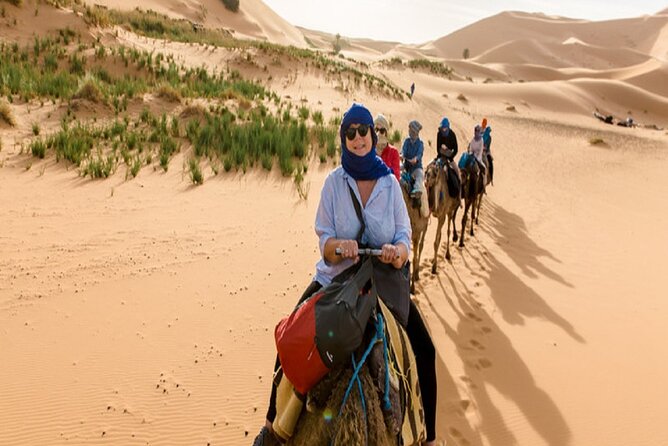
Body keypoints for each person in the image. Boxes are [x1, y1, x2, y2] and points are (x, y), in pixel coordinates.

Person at [254, 103, 439, 446]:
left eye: (363, 131)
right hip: (336, 280)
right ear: (344, 138)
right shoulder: (333, 184)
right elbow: (323, 241)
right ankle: (270, 428)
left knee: (425, 351)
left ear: (373, 134)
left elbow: (404, 237)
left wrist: (397, 253)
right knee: (288, 339)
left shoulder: (389, 184)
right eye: (350, 133)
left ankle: (428, 439)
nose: (357, 138)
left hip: (381, 283)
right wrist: (339, 246)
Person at [436, 117, 461, 198]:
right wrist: (442, 151)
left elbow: (456, 149)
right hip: (440, 157)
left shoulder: (452, 135)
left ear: (448, 127)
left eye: (445, 127)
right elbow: (437, 147)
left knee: (458, 173)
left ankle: (459, 197)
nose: (443, 129)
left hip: (450, 159)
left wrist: (450, 155)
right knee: (429, 169)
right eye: (442, 127)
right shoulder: (439, 134)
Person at [374, 114, 401, 181]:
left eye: (382, 131)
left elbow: (396, 176)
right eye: (376, 130)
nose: (378, 133)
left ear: (386, 132)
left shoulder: (393, 152)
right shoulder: (369, 151)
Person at [402, 120, 425, 197]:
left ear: (415, 132)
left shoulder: (420, 144)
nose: (410, 132)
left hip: (416, 168)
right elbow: (403, 151)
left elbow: (419, 154)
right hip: (406, 167)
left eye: (411, 130)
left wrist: (415, 159)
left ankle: (416, 191)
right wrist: (401, 155)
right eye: (409, 130)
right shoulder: (406, 141)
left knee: (420, 175)